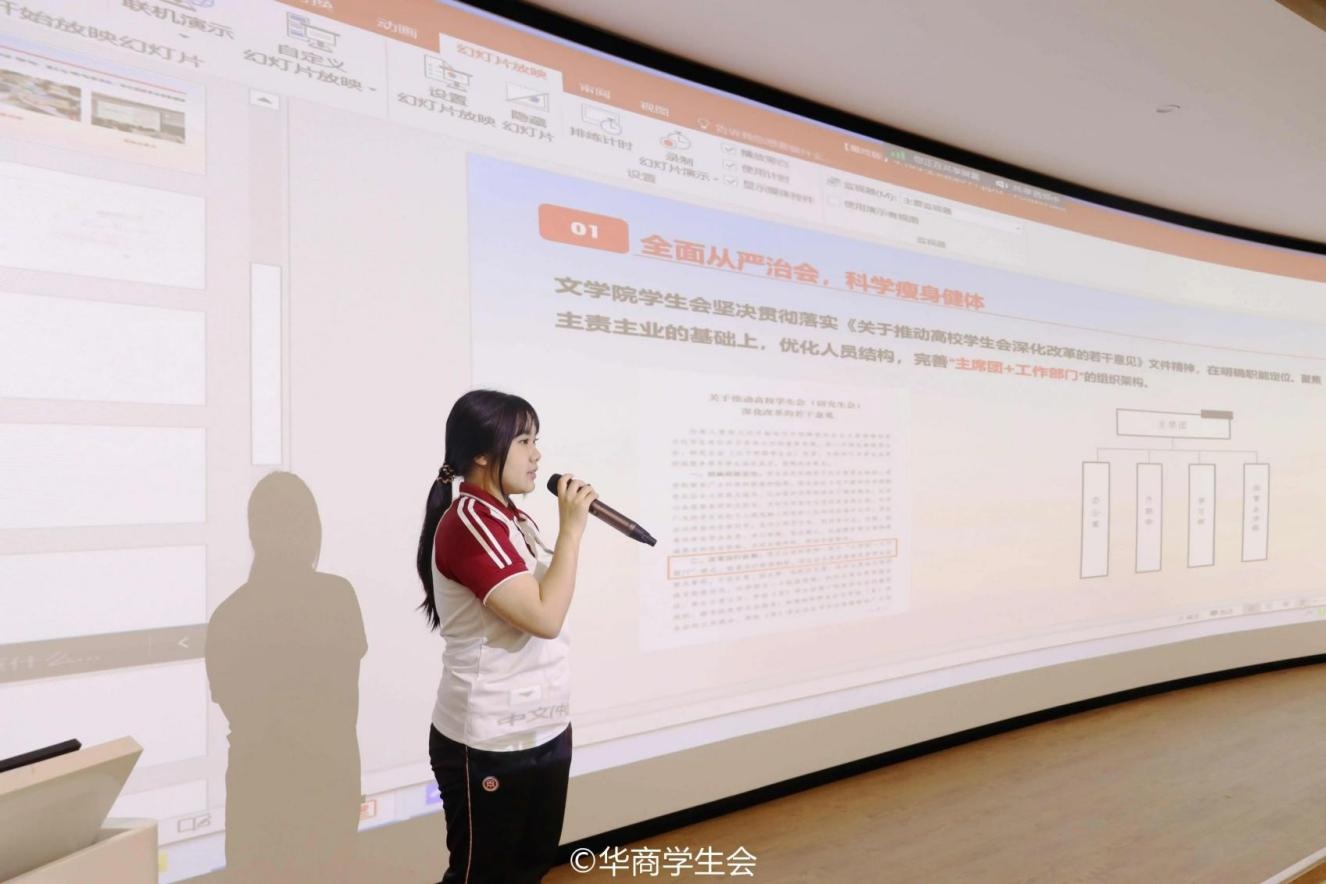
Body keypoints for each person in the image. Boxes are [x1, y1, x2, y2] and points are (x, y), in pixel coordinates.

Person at [416, 389, 597, 883]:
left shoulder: (513, 518)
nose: (537, 455)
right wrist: (571, 531)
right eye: (523, 441)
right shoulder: (469, 522)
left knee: (529, 868)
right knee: (483, 875)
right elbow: (544, 617)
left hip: (544, 728)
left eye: (536, 440)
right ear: (481, 453)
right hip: (490, 739)